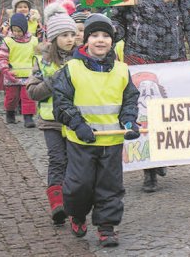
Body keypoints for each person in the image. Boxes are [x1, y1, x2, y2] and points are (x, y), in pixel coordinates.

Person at [110, 0, 190, 193]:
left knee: (167, 115)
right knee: (143, 114)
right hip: (139, 57)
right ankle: (148, 170)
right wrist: (110, 33)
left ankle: (161, 156)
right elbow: (118, 19)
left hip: (171, 58)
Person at [51, 14, 140, 247]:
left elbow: (129, 100)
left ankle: (107, 227)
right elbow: (61, 102)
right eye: (95, 35)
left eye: (105, 36)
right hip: (82, 141)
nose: (100, 40)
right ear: (86, 40)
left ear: (112, 41)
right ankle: (77, 214)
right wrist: (79, 125)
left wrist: (130, 122)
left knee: (110, 186)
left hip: (111, 142)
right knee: (79, 185)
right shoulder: (71, 69)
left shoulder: (122, 70)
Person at [26, 2, 78, 226]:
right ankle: (57, 204)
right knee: (57, 160)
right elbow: (32, 92)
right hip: (52, 122)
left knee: (76, 162)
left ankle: (74, 201)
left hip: (76, 120)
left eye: (72, 34)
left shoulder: (81, 59)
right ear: (54, 38)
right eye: (64, 35)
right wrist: (52, 81)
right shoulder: (42, 62)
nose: (69, 39)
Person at [0, 13, 39, 127]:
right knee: (12, 97)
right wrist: (6, 71)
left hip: (28, 75)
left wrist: (37, 71)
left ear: (25, 29)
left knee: (28, 97)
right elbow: (2, 58)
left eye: (19, 31)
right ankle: (10, 113)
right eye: (14, 30)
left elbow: (38, 57)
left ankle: (28, 117)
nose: (16, 33)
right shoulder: (8, 41)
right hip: (12, 75)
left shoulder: (33, 41)